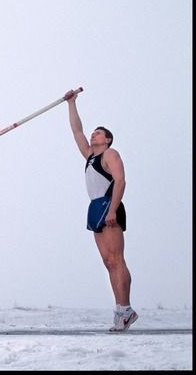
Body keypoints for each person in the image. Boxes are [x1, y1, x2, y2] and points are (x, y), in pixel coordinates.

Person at [65, 90, 138, 332]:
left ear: (107, 139)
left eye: (98, 132)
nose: (93, 134)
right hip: (95, 207)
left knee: (117, 260)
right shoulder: (89, 155)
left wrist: (113, 209)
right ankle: (121, 310)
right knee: (108, 262)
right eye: (94, 132)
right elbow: (77, 131)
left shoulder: (110, 154)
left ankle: (125, 310)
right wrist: (71, 104)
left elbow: (121, 180)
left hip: (109, 204)